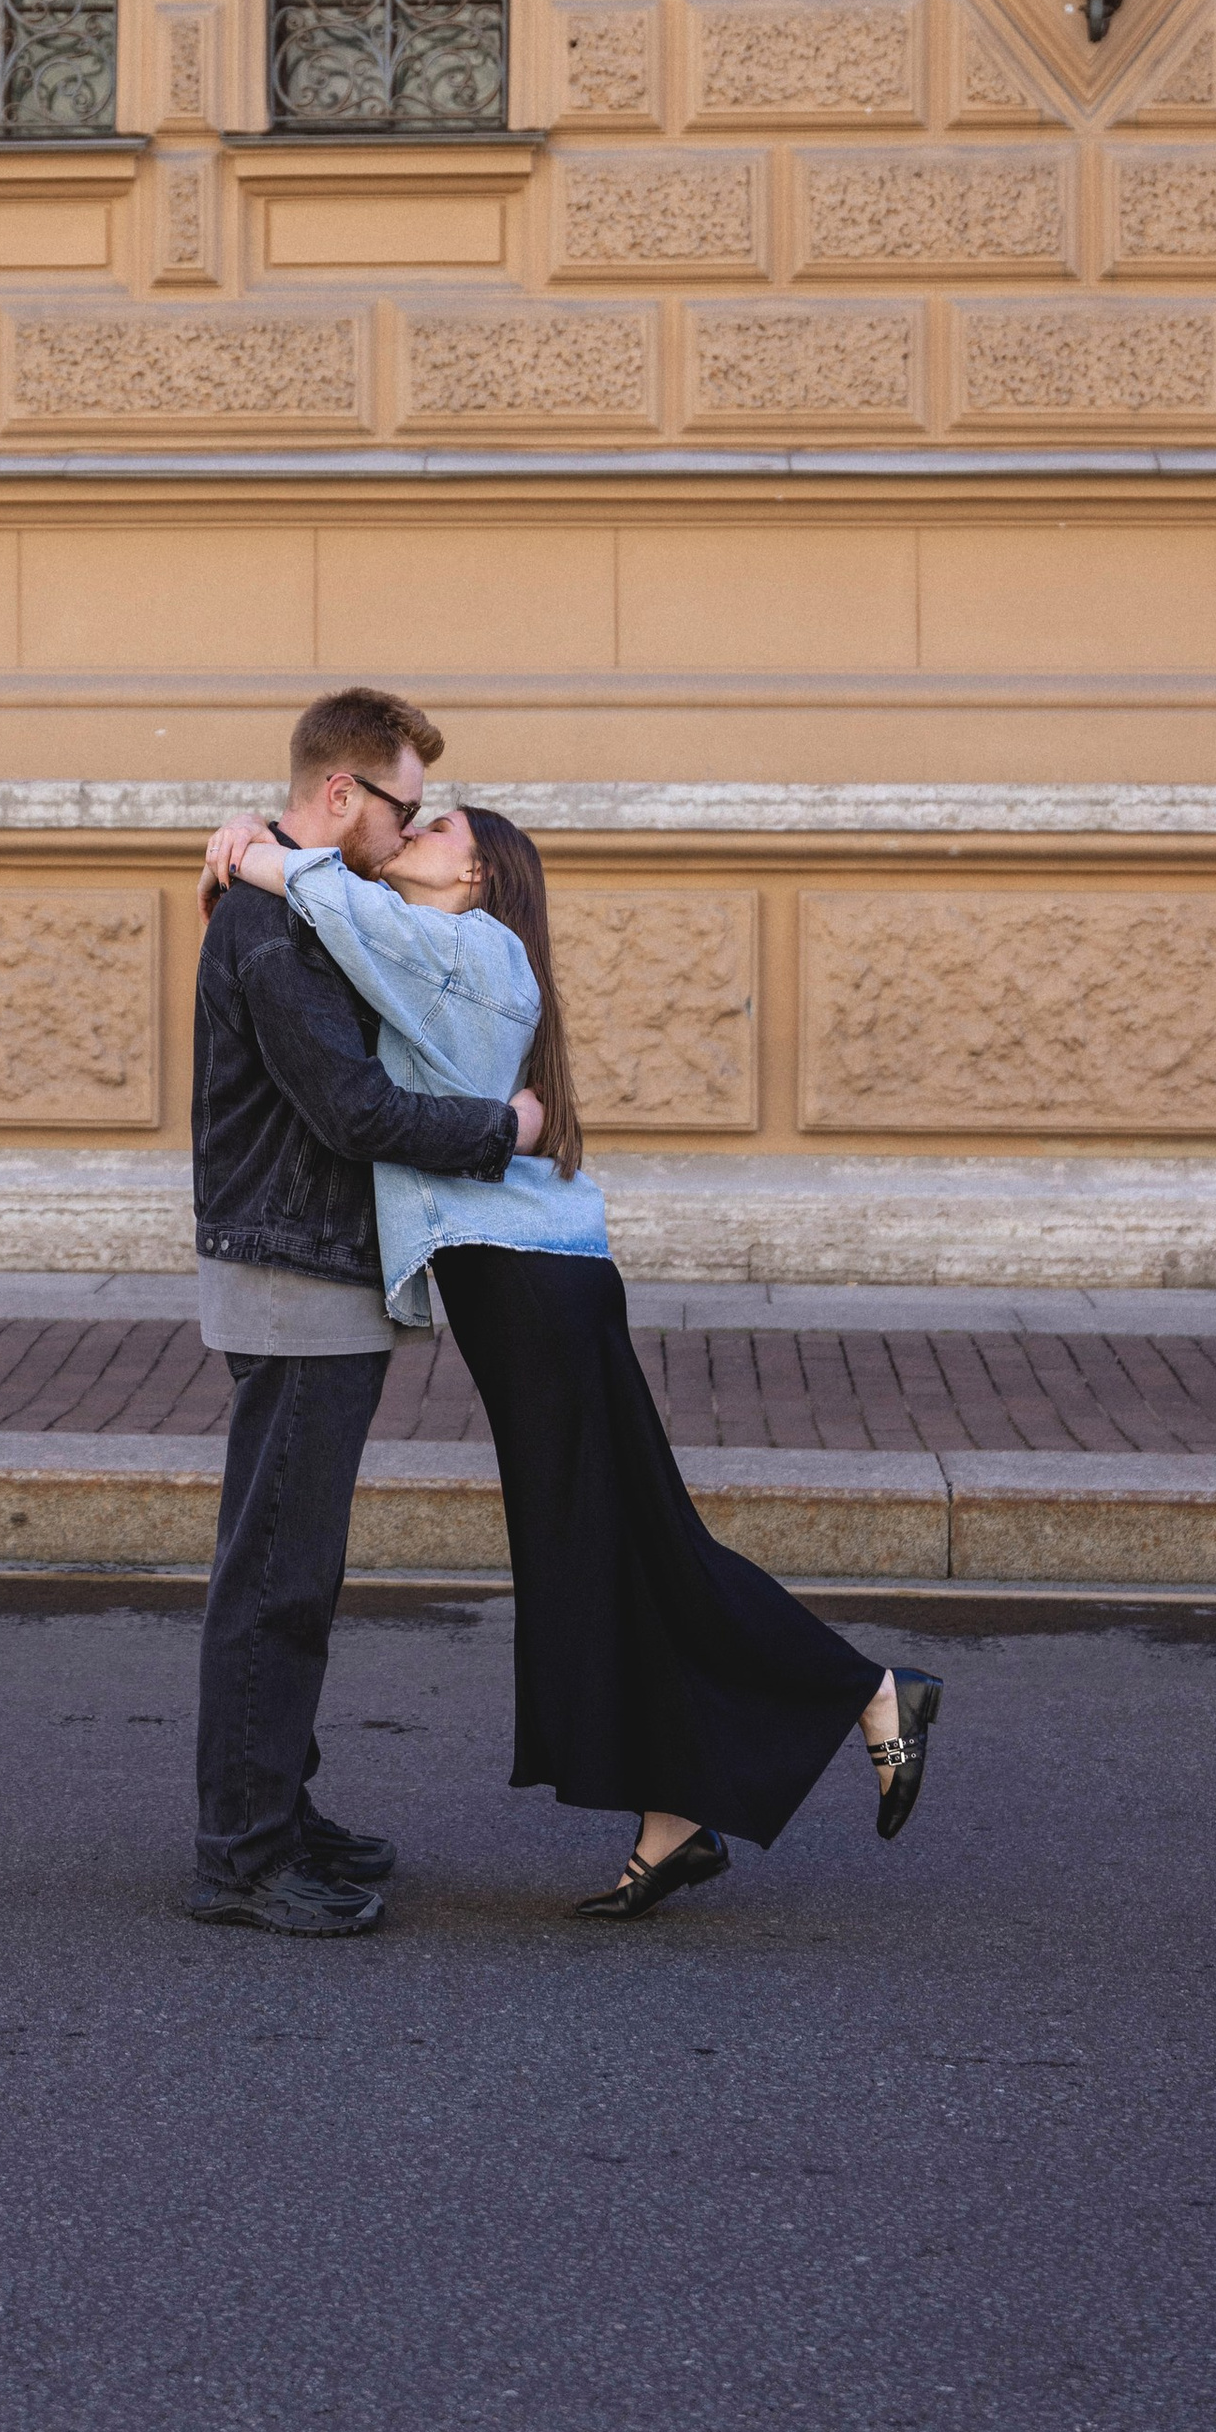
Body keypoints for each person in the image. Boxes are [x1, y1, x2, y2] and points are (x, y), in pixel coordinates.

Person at [200, 796, 942, 1918]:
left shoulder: (468, 949)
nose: (412, 834)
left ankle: (870, 1690)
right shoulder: (443, 951)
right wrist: (258, 833)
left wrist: (254, 849)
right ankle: (673, 1817)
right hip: (529, 1282)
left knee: (631, 1543)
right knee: (593, 1555)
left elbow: (336, 904)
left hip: (531, 1287)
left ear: (478, 877)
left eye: (437, 828)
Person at [187, 688, 544, 1940]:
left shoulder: (307, 899)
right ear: (341, 793)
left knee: (297, 1567)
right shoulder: (276, 928)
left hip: (318, 1269)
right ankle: (242, 1854)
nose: (407, 829)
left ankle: (276, 1813)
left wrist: (253, 841)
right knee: (275, 1580)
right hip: (293, 1277)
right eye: (401, 804)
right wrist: (504, 1130)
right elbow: (351, 1111)